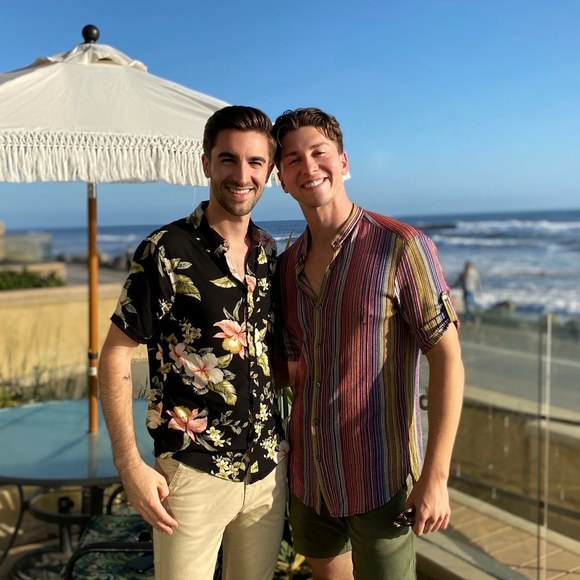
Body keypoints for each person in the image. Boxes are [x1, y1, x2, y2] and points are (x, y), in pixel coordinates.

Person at [271, 107, 464, 580]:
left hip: (380, 480)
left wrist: (436, 478)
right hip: (310, 480)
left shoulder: (401, 246)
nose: (308, 166)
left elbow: (449, 360)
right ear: (282, 179)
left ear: (343, 162)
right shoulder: (287, 266)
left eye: (319, 152)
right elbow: (294, 368)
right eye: (293, 159)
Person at [99, 105, 288, 580]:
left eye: (255, 162)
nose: (241, 175)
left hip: (267, 471)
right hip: (192, 472)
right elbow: (115, 355)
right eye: (228, 159)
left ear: (269, 171)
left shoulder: (269, 253)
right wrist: (130, 465)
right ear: (206, 163)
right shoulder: (165, 250)